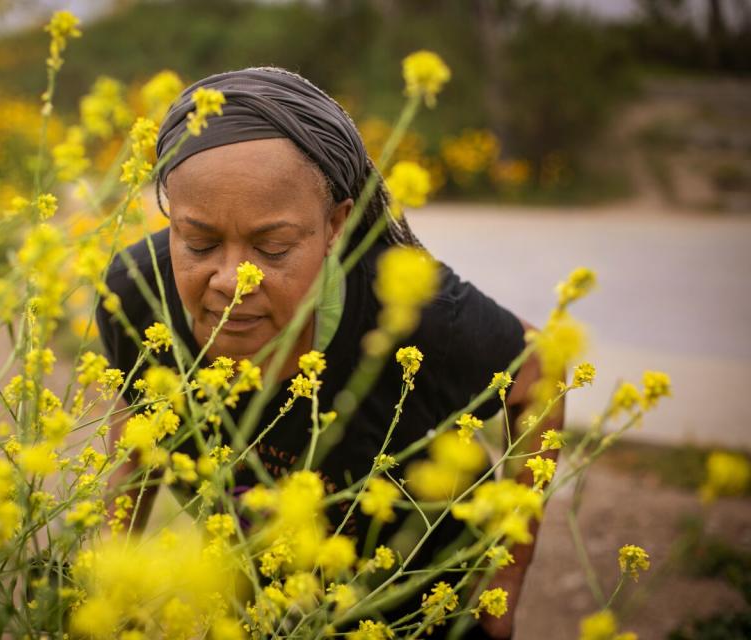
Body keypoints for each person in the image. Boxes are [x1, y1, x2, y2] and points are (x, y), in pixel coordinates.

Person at [95, 66, 559, 639]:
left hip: (424, 613)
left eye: (273, 247)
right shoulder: (137, 297)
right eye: (199, 242)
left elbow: (540, 370)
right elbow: (137, 416)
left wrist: (507, 579)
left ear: (334, 224)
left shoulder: (408, 308)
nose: (231, 279)